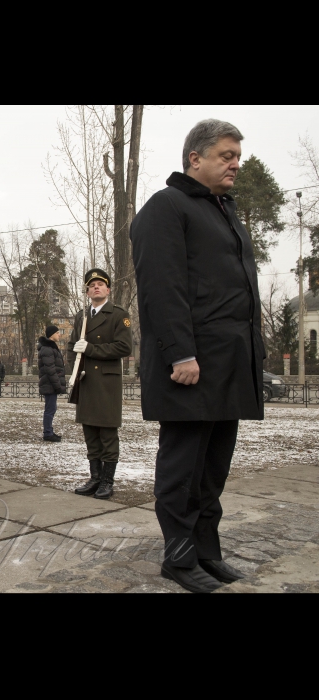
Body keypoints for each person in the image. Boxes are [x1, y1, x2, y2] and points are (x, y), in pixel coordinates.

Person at [130, 119, 263, 593]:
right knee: (183, 470)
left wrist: (254, 357)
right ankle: (179, 558)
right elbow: (161, 290)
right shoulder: (166, 207)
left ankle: (207, 551)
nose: (235, 165)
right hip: (189, 367)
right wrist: (180, 354)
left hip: (228, 365)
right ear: (195, 158)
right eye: (227, 155)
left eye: (238, 158)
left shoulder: (224, 211)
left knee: (213, 469)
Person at [68, 269, 132, 500]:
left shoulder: (118, 314)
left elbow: (125, 348)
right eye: (92, 285)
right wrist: (72, 368)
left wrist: (92, 349)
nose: (96, 287)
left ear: (108, 290)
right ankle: (94, 478)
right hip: (86, 380)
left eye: (100, 284)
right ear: (87, 291)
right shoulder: (81, 316)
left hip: (106, 381)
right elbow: (72, 344)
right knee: (89, 431)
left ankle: (107, 480)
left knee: (107, 432)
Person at [38, 325, 66, 442]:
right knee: (50, 409)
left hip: (50, 384)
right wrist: (57, 385)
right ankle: (48, 433)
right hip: (49, 384)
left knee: (51, 408)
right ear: (52, 334)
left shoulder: (51, 348)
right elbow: (50, 369)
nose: (59, 334)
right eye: (57, 332)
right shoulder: (48, 349)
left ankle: (49, 431)